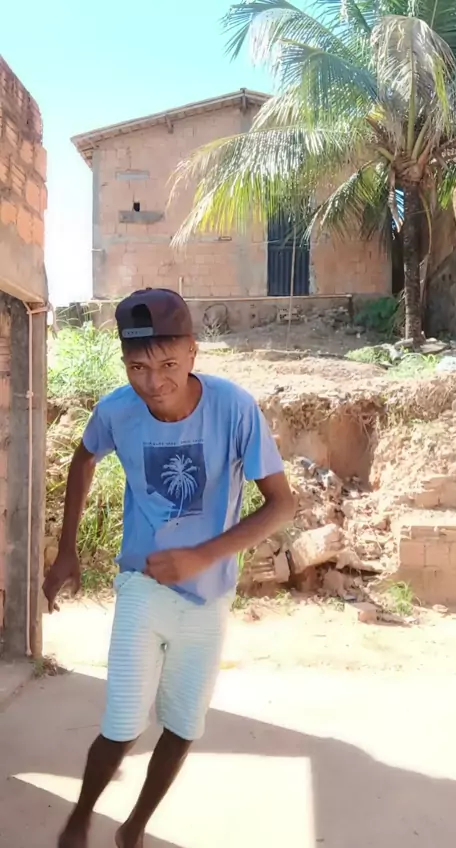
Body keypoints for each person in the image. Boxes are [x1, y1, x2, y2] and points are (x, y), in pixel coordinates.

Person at [43, 288, 295, 848]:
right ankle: (79, 818)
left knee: (183, 726)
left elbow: (282, 504)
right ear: (124, 363)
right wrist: (67, 551)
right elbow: (84, 457)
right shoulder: (117, 411)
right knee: (121, 725)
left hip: (209, 596)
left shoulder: (234, 409)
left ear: (193, 353)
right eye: (137, 368)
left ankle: (133, 828)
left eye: (168, 365)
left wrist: (202, 556)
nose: (154, 383)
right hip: (143, 584)